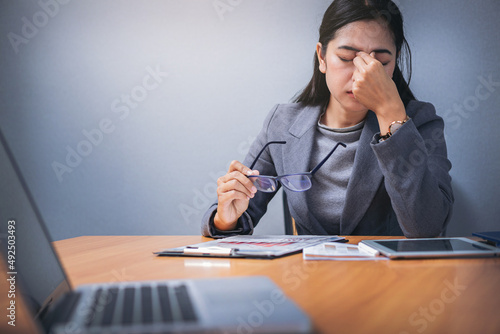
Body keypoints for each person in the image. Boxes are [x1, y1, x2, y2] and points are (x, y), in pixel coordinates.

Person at [201, 0, 453, 238]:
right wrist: (226, 219)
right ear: (322, 57)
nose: (361, 76)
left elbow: (426, 229)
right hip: (310, 278)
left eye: (380, 62)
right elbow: (238, 213)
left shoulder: (419, 122)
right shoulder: (283, 123)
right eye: (346, 58)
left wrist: (391, 113)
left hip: (392, 279)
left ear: (394, 62)